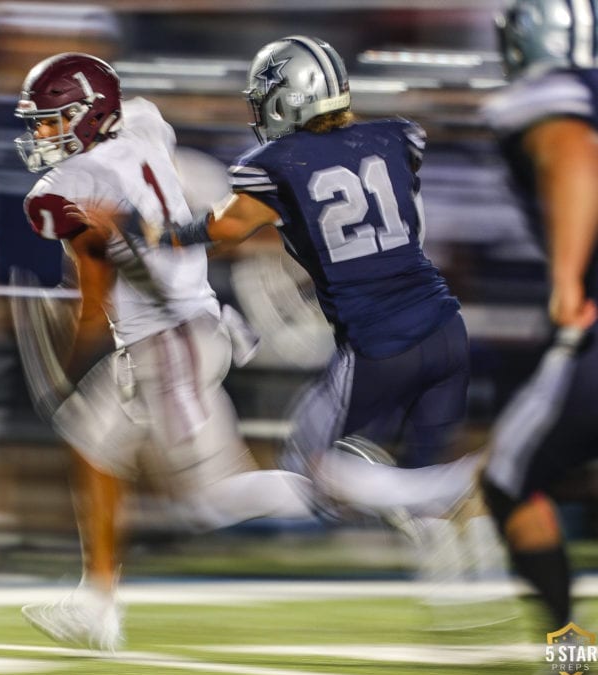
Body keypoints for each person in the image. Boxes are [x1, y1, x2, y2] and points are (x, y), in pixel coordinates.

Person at [88, 35, 479, 527]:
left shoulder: (278, 164)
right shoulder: (397, 137)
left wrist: (138, 229)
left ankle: (453, 485)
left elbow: (223, 228)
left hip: (381, 340)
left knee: (314, 469)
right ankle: (460, 542)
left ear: (288, 96)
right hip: (445, 323)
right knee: (420, 486)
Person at [11, 51, 316, 651]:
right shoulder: (144, 119)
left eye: (53, 120)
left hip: (169, 339)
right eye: (39, 123)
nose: (43, 134)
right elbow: (138, 206)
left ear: (89, 114)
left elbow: (96, 296)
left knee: (212, 499)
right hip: (175, 330)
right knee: (91, 440)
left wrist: (67, 361)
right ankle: (97, 605)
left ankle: (363, 490)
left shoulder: (61, 190)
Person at [478, 0, 598, 635]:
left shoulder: (547, 97)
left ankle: (570, 664)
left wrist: (566, 278)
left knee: (507, 481)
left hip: (593, 326)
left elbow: (574, 153)